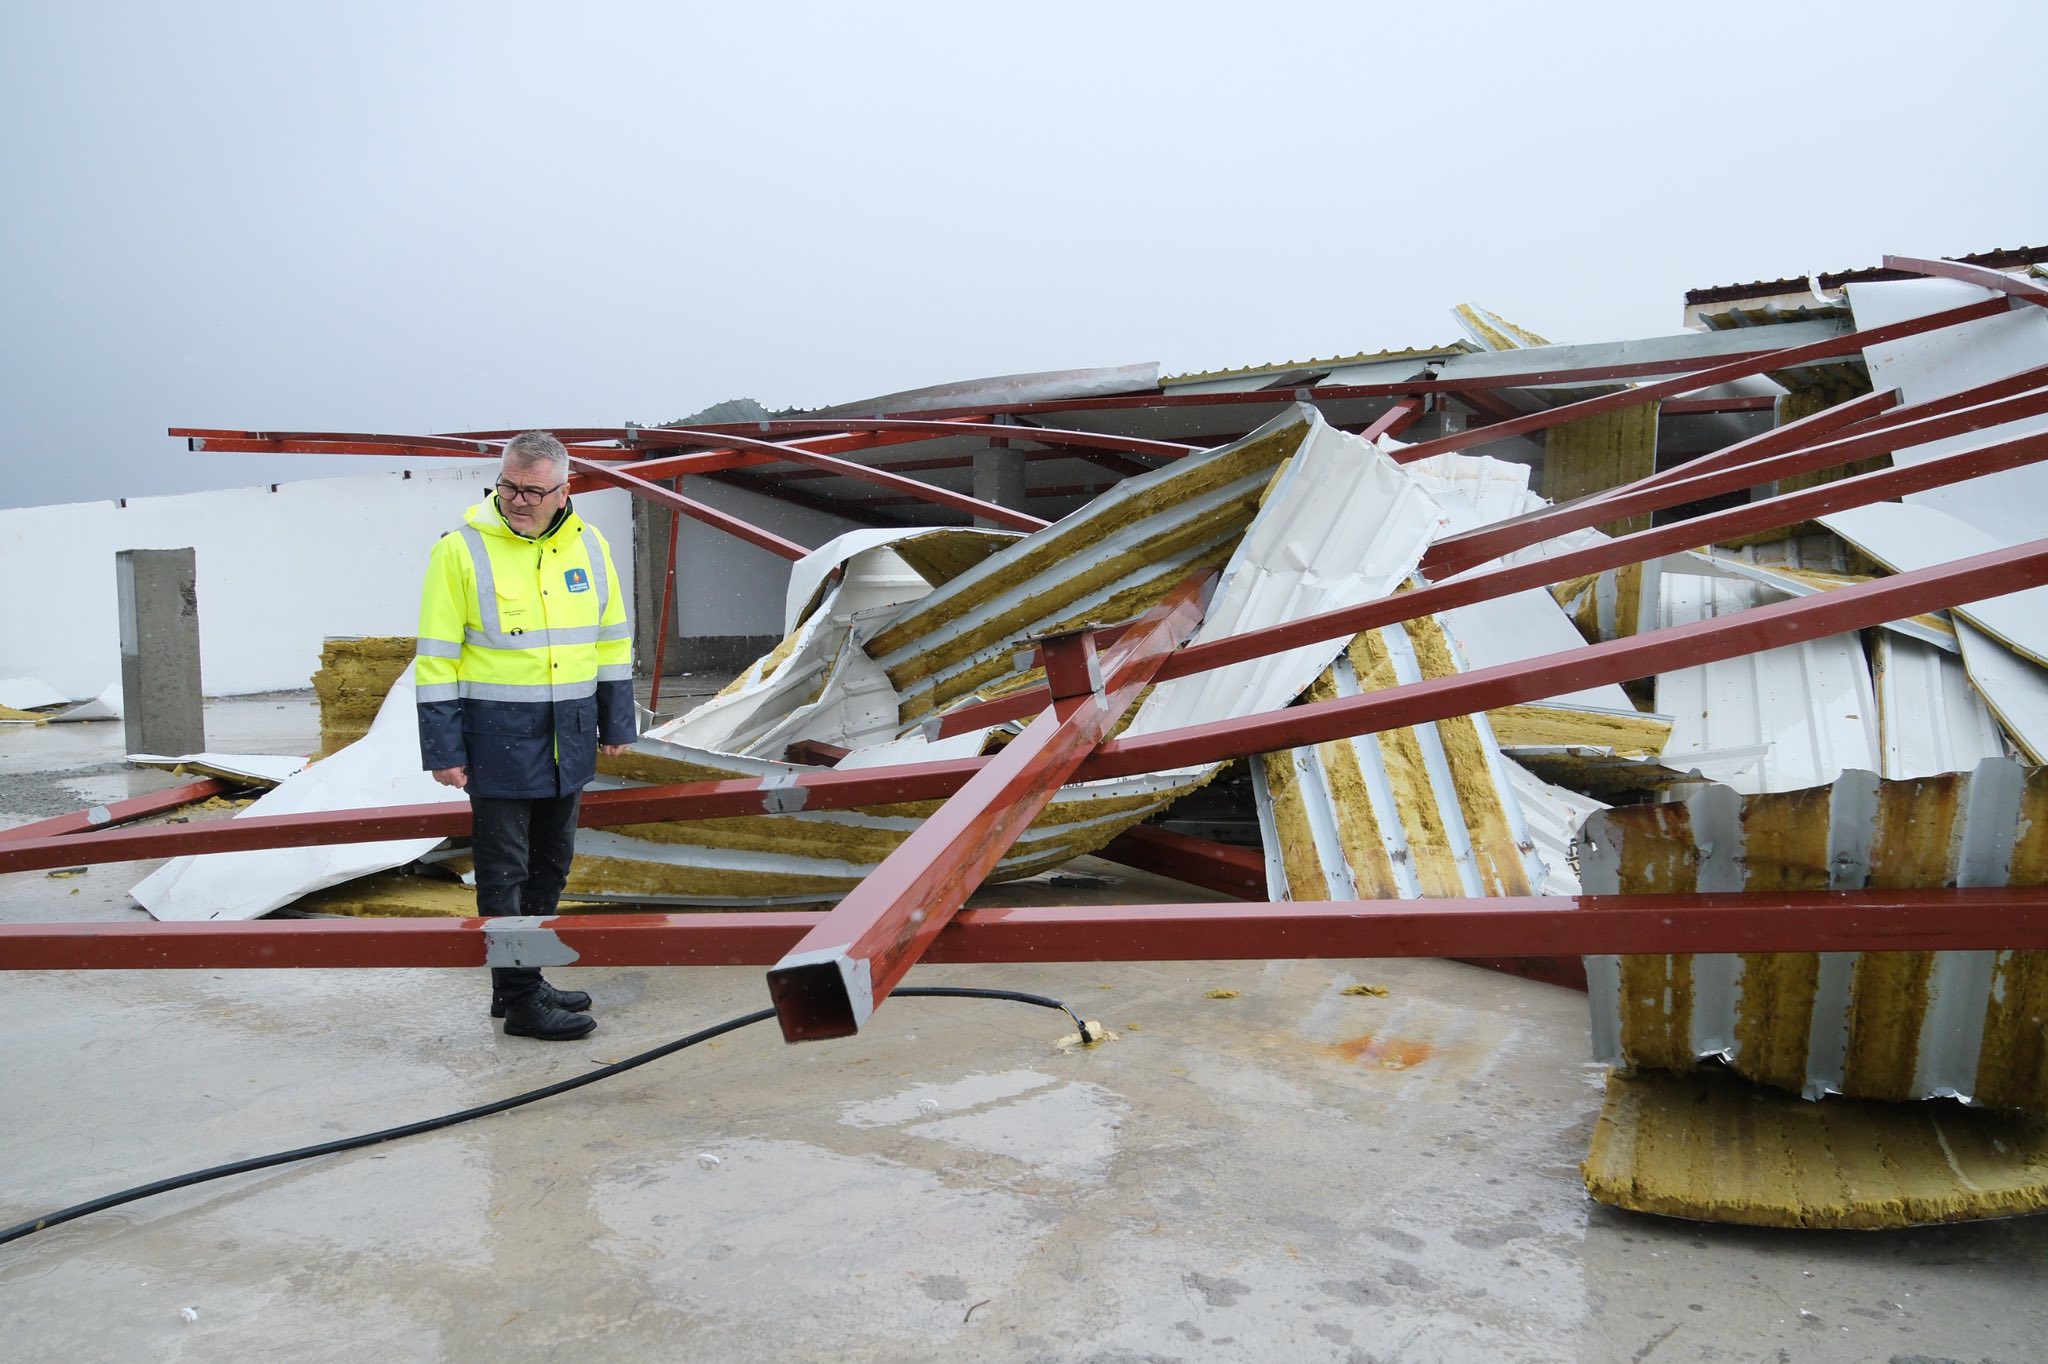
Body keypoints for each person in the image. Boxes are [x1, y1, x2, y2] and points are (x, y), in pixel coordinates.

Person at [415, 431, 635, 1040]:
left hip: (568, 732)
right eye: (508, 486)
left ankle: (523, 978)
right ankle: (518, 1000)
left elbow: (612, 639)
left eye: (533, 491)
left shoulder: (591, 547)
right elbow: (435, 658)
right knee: (503, 872)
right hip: (496, 737)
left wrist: (616, 718)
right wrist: (444, 749)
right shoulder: (459, 551)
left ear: (566, 489)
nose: (517, 500)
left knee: (551, 864)